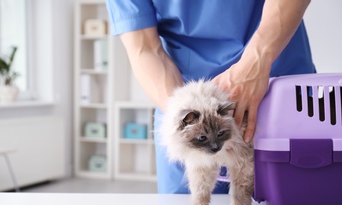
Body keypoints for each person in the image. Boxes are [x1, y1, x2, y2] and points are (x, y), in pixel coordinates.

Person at [106, 0, 316, 194]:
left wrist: (257, 60)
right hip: (187, 111)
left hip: (279, 94)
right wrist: (185, 118)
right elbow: (144, 49)